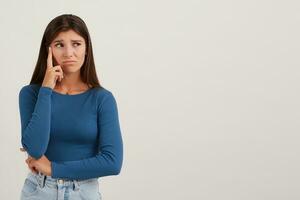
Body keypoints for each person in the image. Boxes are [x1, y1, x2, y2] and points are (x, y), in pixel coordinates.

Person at [18, 14, 123, 200]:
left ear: (86, 49)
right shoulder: (31, 94)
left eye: (76, 44)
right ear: (48, 50)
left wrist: (53, 169)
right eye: (59, 44)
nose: (68, 53)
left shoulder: (102, 99)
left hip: (84, 192)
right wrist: (46, 90)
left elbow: (112, 162)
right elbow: (35, 148)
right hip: (39, 191)